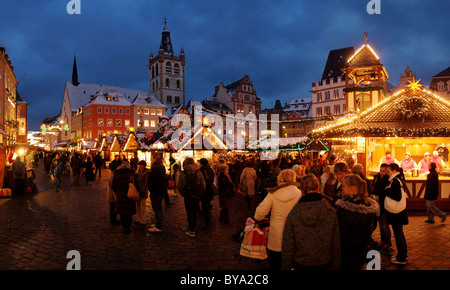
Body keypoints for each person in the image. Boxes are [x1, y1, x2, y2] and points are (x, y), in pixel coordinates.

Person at [282, 173, 340, 270]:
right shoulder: (330, 211)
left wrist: (285, 266)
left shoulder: (295, 213)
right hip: (324, 262)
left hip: (301, 263)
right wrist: (336, 266)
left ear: (302, 189)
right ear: (318, 187)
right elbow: (335, 242)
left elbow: (288, 243)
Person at [254, 169, 302, 270]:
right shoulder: (299, 193)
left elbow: (259, 215)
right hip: (294, 234)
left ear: (279, 179)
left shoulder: (273, 193)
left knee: (276, 264)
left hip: (276, 235)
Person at [335, 174, 379, 270]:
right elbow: (373, 226)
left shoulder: (345, 211)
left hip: (348, 255)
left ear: (352, 189)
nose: (341, 188)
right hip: (362, 251)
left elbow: (339, 236)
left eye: (343, 186)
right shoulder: (368, 207)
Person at [385, 163, 409, 265]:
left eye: (388, 171)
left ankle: (401, 258)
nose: (387, 173)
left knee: (398, 235)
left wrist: (387, 191)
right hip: (400, 213)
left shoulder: (395, 181)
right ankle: (403, 255)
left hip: (397, 214)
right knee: (400, 234)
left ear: (394, 171)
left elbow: (397, 197)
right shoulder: (398, 179)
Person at [178, 157, 206, 237]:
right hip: (196, 195)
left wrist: (183, 194)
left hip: (187, 196)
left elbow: (179, 186)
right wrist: (199, 193)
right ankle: (194, 226)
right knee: (194, 211)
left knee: (189, 211)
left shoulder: (183, 173)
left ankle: (191, 229)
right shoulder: (198, 172)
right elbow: (203, 185)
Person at [370, 163, 392, 251]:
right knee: (381, 224)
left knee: (385, 224)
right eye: (381, 171)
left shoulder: (388, 179)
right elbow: (373, 188)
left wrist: (380, 197)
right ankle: (383, 241)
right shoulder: (377, 178)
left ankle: (388, 242)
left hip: (385, 204)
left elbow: (387, 192)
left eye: (384, 171)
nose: (382, 173)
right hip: (377, 203)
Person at [111, 162, 136, 234]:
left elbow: (113, 186)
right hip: (129, 197)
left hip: (120, 196)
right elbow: (136, 185)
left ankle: (124, 227)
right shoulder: (131, 174)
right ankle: (128, 228)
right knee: (129, 213)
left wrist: (118, 192)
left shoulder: (117, 174)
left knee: (123, 213)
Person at [147, 153, 167, 233]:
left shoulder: (155, 167)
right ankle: (159, 223)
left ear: (154, 158)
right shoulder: (161, 166)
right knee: (159, 207)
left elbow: (153, 180)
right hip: (160, 190)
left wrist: (151, 188)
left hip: (156, 191)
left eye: (151, 158)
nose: (150, 160)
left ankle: (158, 226)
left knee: (157, 208)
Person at [199, 158, 215, 228]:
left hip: (204, 189)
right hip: (210, 189)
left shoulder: (201, 170)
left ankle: (207, 220)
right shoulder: (211, 169)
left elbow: (201, 181)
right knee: (207, 202)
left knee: (204, 204)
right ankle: (208, 214)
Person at [135, 160, 150, 226]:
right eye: (139, 165)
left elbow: (146, 183)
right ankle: (138, 218)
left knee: (143, 207)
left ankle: (143, 220)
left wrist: (142, 190)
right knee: (137, 206)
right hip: (138, 190)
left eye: (141, 165)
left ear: (144, 166)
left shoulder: (146, 173)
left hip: (143, 191)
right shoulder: (138, 172)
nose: (140, 166)